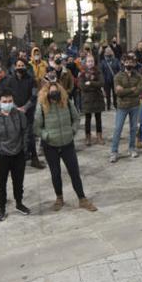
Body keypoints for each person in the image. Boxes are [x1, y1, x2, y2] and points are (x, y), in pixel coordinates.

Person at [34, 82, 97, 212]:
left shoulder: (67, 102)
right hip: (50, 146)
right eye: (51, 91)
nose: (54, 93)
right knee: (55, 173)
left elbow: (76, 118)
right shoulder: (41, 106)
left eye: (56, 91)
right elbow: (36, 127)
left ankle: (82, 199)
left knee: (74, 172)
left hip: (67, 143)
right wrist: (47, 136)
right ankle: (59, 198)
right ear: (46, 93)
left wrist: (72, 131)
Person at [0, 89, 30, 221]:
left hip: (18, 154)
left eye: (10, 101)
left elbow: (25, 132)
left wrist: (24, 148)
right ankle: (2, 207)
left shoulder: (20, 115)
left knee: (18, 181)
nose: (8, 103)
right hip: (2, 156)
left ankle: (19, 203)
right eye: (5, 101)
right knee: (2, 184)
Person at [0, 58, 44, 169]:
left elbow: (34, 95)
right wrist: (15, 107)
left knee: (29, 136)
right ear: (15, 67)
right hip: (14, 112)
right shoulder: (10, 80)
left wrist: (25, 107)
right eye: (18, 65)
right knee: (15, 136)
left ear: (25, 67)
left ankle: (34, 158)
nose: (20, 67)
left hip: (28, 112)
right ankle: (20, 158)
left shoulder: (31, 80)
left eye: (22, 65)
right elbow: (7, 94)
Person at [110, 55, 142, 163]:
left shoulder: (138, 76)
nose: (129, 64)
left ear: (134, 63)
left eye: (131, 62)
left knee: (133, 128)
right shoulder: (118, 76)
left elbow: (139, 90)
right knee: (118, 129)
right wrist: (131, 90)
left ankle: (132, 148)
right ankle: (114, 151)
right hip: (122, 106)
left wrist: (125, 90)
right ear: (123, 62)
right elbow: (118, 92)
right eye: (127, 62)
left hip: (134, 106)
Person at [78, 55, 105, 146]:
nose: (90, 63)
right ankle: (88, 137)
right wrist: (94, 86)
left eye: (92, 61)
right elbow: (82, 86)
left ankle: (99, 136)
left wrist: (90, 83)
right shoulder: (82, 73)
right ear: (86, 63)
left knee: (98, 118)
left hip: (97, 98)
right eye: (89, 61)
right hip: (87, 99)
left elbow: (101, 83)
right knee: (87, 119)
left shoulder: (98, 72)